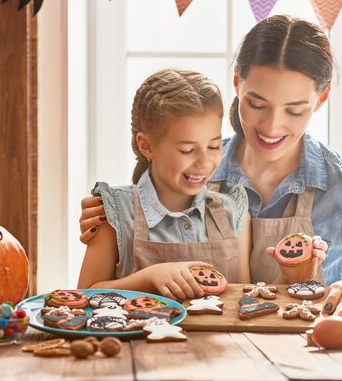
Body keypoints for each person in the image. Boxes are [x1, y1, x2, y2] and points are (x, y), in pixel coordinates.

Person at [80, 16, 342, 317]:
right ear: (237, 83)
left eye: (294, 109)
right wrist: (112, 215)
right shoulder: (194, 172)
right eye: (257, 103)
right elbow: (128, 247)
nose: (272, 127)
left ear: (321, 98)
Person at [78, 69, 257, 301]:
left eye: (213, 146)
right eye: (187, 150)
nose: (204, 162)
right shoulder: (114, 213)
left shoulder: (233, 211)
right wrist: (150, 277)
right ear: (147, 146)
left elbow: (244, 299)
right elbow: (84, 296)